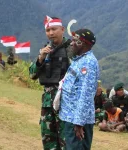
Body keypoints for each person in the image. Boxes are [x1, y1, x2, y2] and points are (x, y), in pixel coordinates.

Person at [29, 16, 71, 150]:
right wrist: (40, 58)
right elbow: (32, 75)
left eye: (54, 29)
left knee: (66, 141)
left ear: (62, 29)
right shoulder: (45, 50)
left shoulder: (71, 50)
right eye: (48, 30)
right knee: (49, 141)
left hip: (65, 102)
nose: (51, 33)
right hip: (47, 102)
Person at [59, 28, 99, 150]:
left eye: (75, 41)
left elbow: (86, 94)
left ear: (83, 44)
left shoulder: (88, 63)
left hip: (76, 121)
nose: (71, 43)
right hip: (69, 117)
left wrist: (79, 123)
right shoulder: (79, 60)